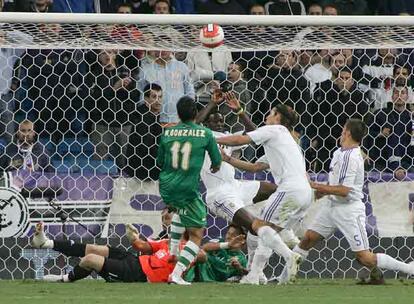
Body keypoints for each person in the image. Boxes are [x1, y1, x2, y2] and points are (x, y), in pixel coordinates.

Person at [283, 119, 414, 283]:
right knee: (308, 239)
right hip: (331, 207)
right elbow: (336, 184)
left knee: (364, 257)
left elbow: (344, 191)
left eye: (343, 129)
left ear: (348, 133)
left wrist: (314, 186)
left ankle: (408, 268)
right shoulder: (339, 153)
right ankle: (283, 279)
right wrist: (321, 193)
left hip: (349, 211)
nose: (341, 132)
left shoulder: (352, 157)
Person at [216, 104, 312, 284]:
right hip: (305, 193)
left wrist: (212, 140)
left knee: (259, 225)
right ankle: (255, 275)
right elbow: (255, 167)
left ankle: (289, 256)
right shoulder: (284, 142)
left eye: (270, 113)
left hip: (290, 189)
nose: (267, 116)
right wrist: (228, 159)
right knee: (268, 232)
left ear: (278, 117)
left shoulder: (275, 130)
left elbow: (240, 140)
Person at [157, 96, 222, 285]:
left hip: (167, 187)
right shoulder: (206, 133)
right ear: (195, 113)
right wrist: (214, 167)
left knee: (179, 212)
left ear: (178, 114)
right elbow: (217, 162)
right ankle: (176, 274)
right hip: (187, 189)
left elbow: (159, 162)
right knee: (196, 234)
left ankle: (174, 251)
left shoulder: (167, 133)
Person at [30, 222, 184, 283]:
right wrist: (134, 238)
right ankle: (46, 243)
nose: (171, 225)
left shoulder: (190, 250)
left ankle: (63, 279)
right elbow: (142, 246)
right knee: (95, 249)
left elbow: (201, 255)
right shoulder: (166, 242)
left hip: (139, 275)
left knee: (90, 259)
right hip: (134, 260)